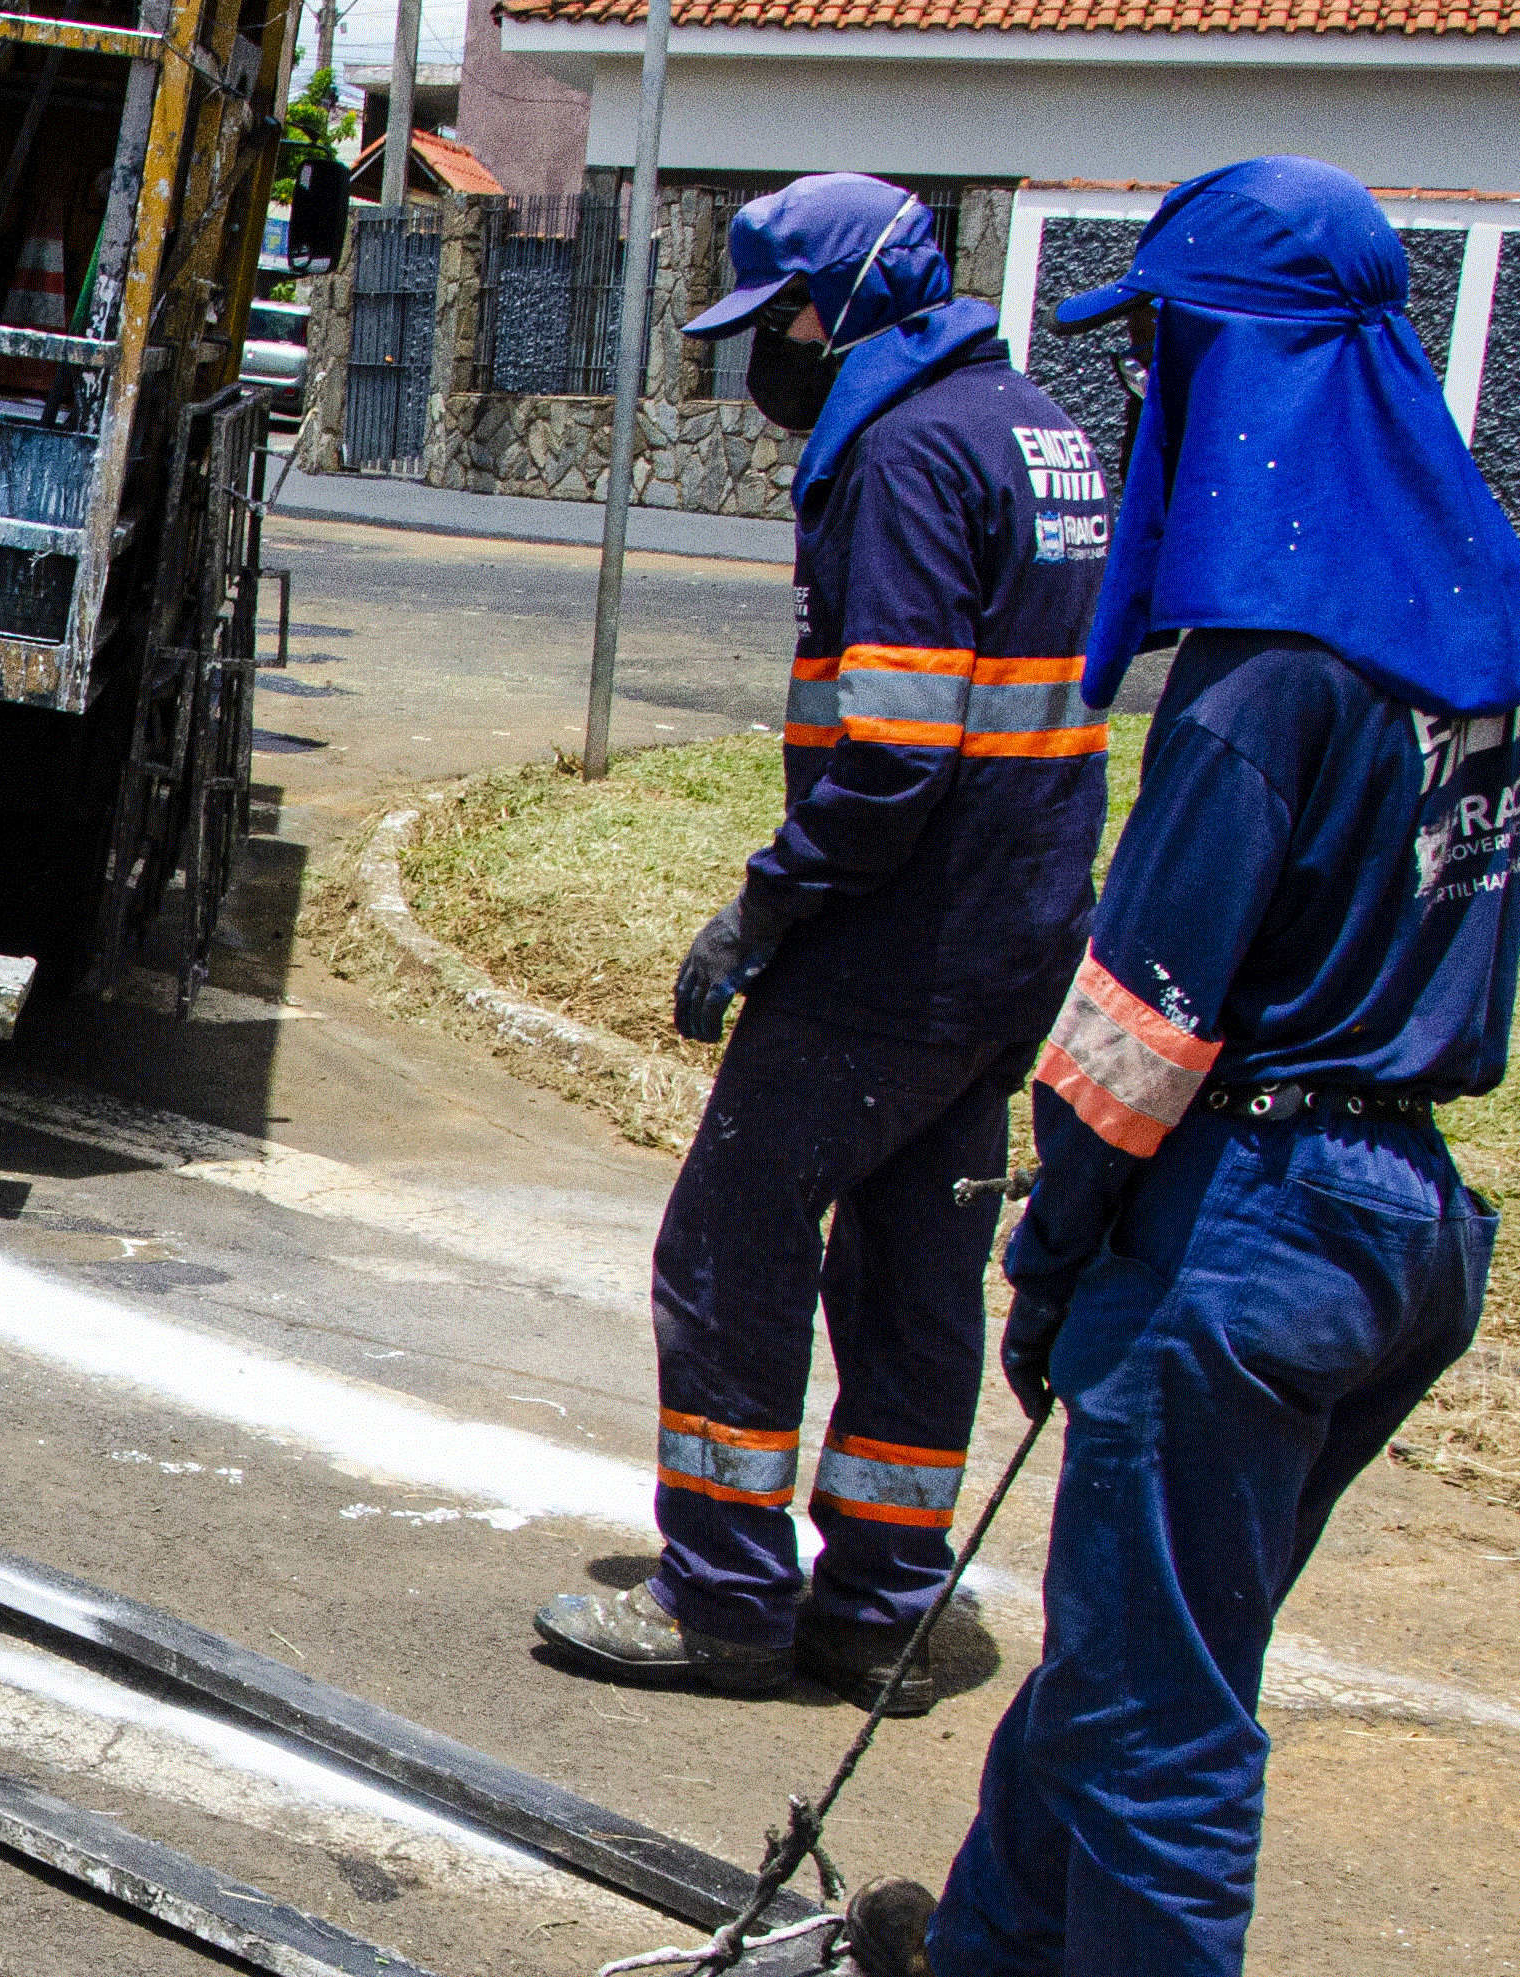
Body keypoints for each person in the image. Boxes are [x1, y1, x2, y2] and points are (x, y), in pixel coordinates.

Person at [838, 155, 1520, 1977]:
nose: (1151, 402)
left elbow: (1130, 1047)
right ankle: (987, 1953)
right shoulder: (1470, 648)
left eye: (1161, 360)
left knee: (1163, 1734)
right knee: (1143, 1649)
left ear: (1240, 369)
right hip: (1411, 1225)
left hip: (1247, 1225)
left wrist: (1053, 1273)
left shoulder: (1259, 685)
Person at [532, 176, 1112, 1707]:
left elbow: (896, 749)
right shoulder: (1035, 427)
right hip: (1013, 942)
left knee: (730, 1240)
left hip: (892, 948)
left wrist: (768, 901)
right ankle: (881, 1609)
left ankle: (722, 1592)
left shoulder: (908, 454)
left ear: (844, 304)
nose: (763, 360)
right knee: (919, 1270)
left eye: (774, 322)